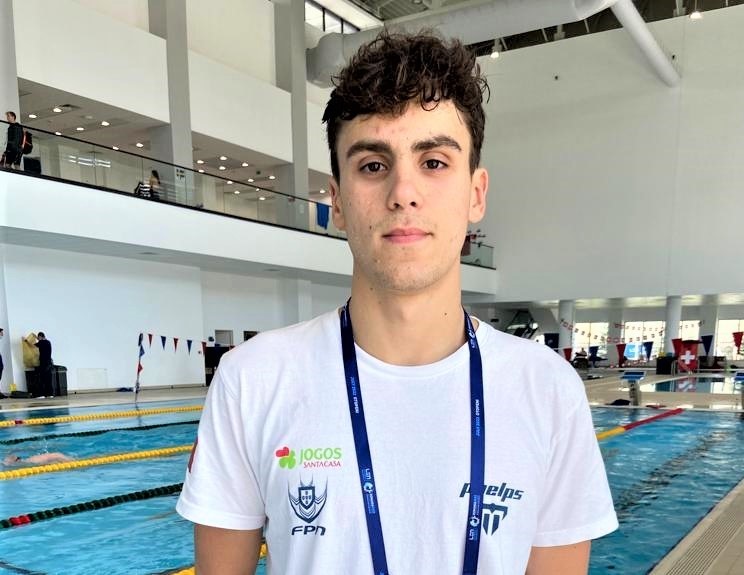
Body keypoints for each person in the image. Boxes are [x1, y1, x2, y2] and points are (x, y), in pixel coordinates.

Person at [176, 31, 617, 575]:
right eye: (372, 165)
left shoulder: (547, 389)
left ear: (476, 193)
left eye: (434, 162)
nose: (403, 192)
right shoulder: (253, 380)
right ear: (337, 201)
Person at [35, 331, 54, 397]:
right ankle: (50, 394)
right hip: (49, 363)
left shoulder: (41, 342)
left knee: (42, 378)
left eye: (38, 337)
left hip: (44, 363)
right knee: (48, 379)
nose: (38, 339)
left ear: (40, 337)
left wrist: (26, 340)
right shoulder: (48, 342)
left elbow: (33, 345)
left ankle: (41, 394)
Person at [3, 452, 73, 467]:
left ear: (17, 461)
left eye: (10, 463)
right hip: (56, 455)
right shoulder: (28, 461)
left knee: (73, 462)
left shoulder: (32, 462)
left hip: (57, 456)